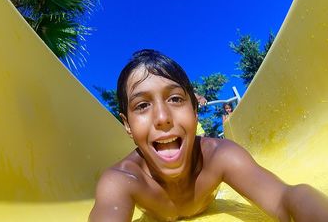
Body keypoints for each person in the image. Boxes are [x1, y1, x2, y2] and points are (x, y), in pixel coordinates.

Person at [89, 49, 328, 222]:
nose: (162, 117)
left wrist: (307, 204)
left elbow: (286, 198)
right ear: (127, 125)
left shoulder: (219, 157)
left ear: (194, 111)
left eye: (175, 99)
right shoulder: (122, 181)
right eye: (142, 105)